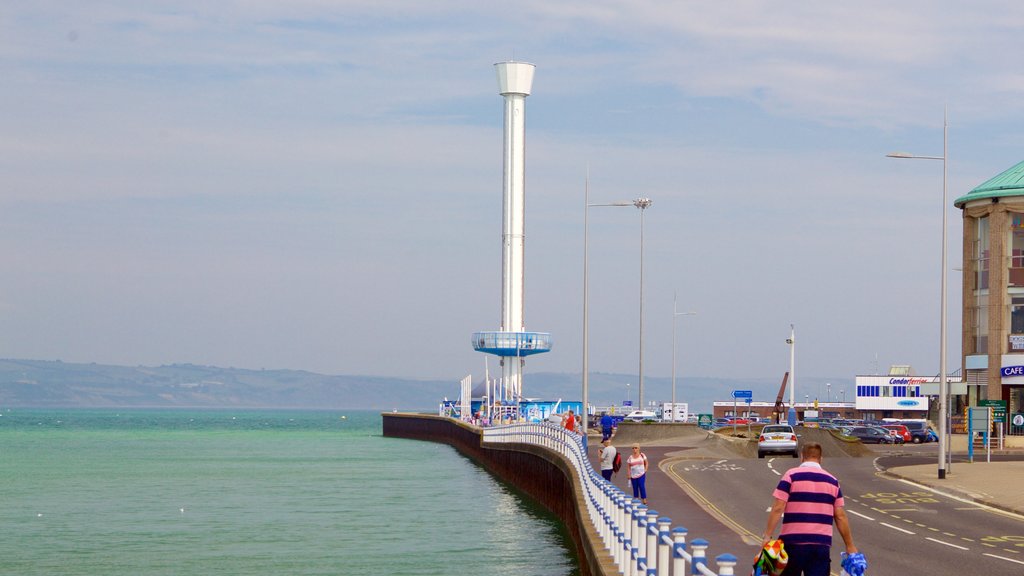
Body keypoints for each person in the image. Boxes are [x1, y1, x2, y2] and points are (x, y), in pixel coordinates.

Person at [761, 442, 858, 576]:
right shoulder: (832, 481)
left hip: (793, 543)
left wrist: (767, 536)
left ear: (802, 457)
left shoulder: (791, 476)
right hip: (821, 545)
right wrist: (849, 545)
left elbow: (778, 508)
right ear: (821, 459)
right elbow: (840, 516)